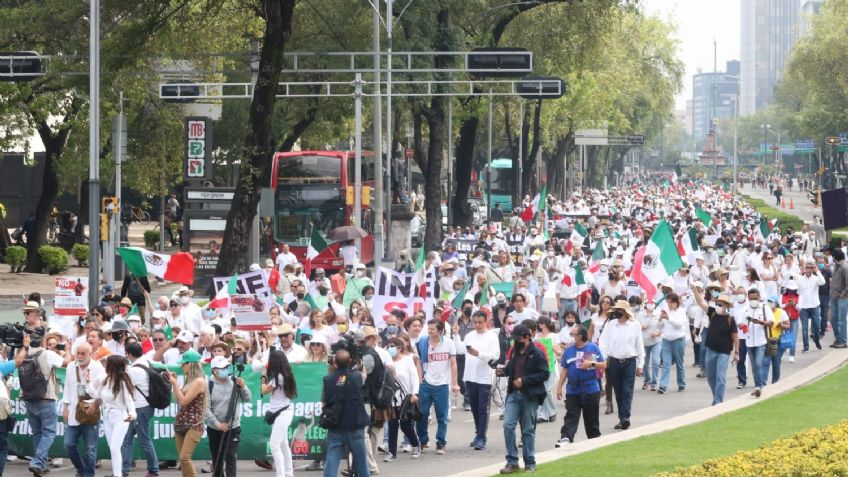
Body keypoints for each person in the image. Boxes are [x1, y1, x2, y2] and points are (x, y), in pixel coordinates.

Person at [499, 324, 549, 474]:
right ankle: (512, 461)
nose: (515, 341)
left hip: (530, 395)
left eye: (518, 338)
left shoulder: (537, 353)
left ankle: (530, 462)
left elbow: (544, 374)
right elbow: (511, 369)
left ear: (527, 337)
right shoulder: (514, 351)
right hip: (514, 394)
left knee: (527, 430)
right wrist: (502, 371)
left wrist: (524, 380)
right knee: (508, 426)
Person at [21, 326, 64, 477]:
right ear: (43, 340)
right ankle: (38, 462)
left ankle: (41, 464)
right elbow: (65, 363)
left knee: (37, 432)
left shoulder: (23, 353)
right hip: (46, 397)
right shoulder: (48, 354)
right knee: (49, 432)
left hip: (29, 397)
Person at [321, 349, 371, 477]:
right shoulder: (357, 377)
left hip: (336, 425)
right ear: (350, 362)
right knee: (361, 461)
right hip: (355, 424)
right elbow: (365, 373)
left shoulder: (327, 380)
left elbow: (324, 402)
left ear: (334, 363)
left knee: (332, 459)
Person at [555, 325, 606, 446]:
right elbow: (564, 370)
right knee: (571, 414)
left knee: (591, 417)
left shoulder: (593, 347)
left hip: (591, 388)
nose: (571, 337)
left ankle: (594, 439)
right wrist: (559, 387)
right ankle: (566, 437)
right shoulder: (569, 350)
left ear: (580, 337)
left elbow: (604, 364)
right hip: (573, 388)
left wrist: (592, 364)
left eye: (573, 335)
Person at [415, 319, 459, 455]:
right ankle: (423, 440)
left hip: (442, 385)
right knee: (421, 414)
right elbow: (418, 363)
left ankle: (441, 443)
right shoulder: (422, 343)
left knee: (442, 416)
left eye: (433, 329)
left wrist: (454, 383)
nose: (430, 331)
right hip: (426, 384)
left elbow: (453, 364)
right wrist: (419, 381)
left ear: (440, 330)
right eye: (429, 329)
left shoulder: (449, 343)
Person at [598, 300, 644, 430]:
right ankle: (621, 417)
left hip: (629, 361)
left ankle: (625, 417)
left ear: (625, 312)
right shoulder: (611, 325)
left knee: (627, 390)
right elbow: (603, 342)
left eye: (619, 310)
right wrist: (604, 358)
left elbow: (639, 345)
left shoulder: (634, 325)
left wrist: (641, 364)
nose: (616, 312)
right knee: (618, 391)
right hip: (614, 362)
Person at [63, 342, 106, 477]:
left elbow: (104, 392)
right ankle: (81, 469)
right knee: (69, 444)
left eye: (83, 354)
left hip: (90, 414)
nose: (80, 356)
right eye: (78, 353)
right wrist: (65, 407)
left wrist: (95, 405)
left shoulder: (98, 368)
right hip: (73, 413)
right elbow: (67, 388)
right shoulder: (71, 366)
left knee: (91, 449)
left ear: (90, 354)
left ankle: (89, 474)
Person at [90, 355, 136, 477]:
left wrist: (132, 414)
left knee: (115, 448)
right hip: (107, 416)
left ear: (112, 366)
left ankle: (118, 475)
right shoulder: (105, 380)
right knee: (113, 448)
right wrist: (88, 384)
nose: (104, 365)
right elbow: (97, 396)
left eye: (107, 363)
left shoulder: (122, 382)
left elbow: (129, 400)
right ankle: (117, 473)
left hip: (120, 417)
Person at [206, 356, 251, 477]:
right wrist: (218, 424)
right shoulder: (208, 384)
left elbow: (247, 398)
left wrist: (243, 387)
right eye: (222, 368)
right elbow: (205, 409)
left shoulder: (235, 380)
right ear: (214, 370)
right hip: (215, 429)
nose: (225, 369)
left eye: (226, 367)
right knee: (217, 458)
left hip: (233, 427)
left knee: (231, 456)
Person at [692, 291, 739, 405]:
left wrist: (736, 352)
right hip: (710, 350)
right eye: (718, 304)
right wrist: (695, 291)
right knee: (711, 377)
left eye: (721, 305)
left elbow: (735, 337)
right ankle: (716, 397)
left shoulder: (730, 320)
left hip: (724, 352)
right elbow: (700, 302)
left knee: (720, 377)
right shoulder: (712, 313)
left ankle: (718, 400)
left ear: (726, 307)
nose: (718, 306)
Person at [462, 310, 500, 450]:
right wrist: (454, 335)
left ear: (486, 322)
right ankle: (479, 433)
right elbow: (461, 349)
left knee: (483, 408)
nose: (477, 325)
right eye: (475, 322)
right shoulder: (469, 336)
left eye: (480, 322)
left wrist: (479, 354)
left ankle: (481, 437)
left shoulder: (491, 337)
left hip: (485, 377)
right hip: (470, 376)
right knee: (474, 408)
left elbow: (495, 356)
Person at [122, 342, 159, 477]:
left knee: (144, 440)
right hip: (141, 407)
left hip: (140, 408)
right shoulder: (146, 362)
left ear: (129, 354)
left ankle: (154, 470)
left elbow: (126, 387)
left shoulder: (134, 370)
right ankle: (123, 470)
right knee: (127, 439)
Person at [168, 350, 207, 477]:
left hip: (194, 424)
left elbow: (184, 401)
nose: (181, 366)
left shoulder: (199, 381)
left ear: (190, 364)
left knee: (185, 458)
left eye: (183, 364)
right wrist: (175, 384)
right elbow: (178, 399)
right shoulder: (188, 380)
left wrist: (174, 383)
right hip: (181, 422)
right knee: (182, 460)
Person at [383, 337, 421, 462]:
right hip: (392, 400)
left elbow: (414, 377)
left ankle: (416, 444)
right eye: (388, 346)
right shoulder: (387, 363)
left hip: (406, 398)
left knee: (405, 425)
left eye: (392, 346)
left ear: (399, 348)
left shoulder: (408, 360)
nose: (390, 349)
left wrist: (414, 394)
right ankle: (392, 453)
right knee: (392, 426)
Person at [263, 350, 297, 477]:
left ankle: (281, 474)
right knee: (283, 445)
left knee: (274, 445)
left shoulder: (278, 378)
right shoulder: (285, 374)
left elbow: (263, 391)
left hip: (282, 414)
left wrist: (263, 376)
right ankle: (289, 473)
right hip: (282, 412)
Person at [657, 293, 687, 394]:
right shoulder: (666, 310)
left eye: (671, 302)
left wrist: (669, 318)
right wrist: (661, 319)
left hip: (678, 340)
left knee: (679, 363)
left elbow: (679, 325)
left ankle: (681, 383)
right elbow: (660, 326)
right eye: (668, 302)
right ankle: (663, 385)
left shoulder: (681, 311)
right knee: (666, 363)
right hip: (666, 340)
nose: (669, 304)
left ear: (676, 302)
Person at [829, 248, 848, 349]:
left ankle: (843, 340)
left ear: (835, 257)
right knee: (833, 319)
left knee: (841, 319)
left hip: (843, 297)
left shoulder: (845, 267)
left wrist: (843, 293)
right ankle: (838, 338)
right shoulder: (836, 266)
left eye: (833, 256)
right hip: (833, 296)